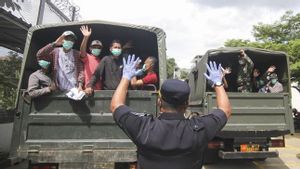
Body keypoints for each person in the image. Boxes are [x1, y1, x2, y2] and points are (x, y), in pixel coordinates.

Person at [110, 56, 231, 169]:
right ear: (186, 103)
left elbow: (116, 106)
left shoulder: (143, 127)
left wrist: (125, 77)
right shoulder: (199, 129)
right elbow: (225, 110)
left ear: (159, 102)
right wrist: (218, 83)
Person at [80, 25, 103, 90]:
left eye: (98, 47)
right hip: (88, 90)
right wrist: (85, 37)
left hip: (99, 91)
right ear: (90, 48)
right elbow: (82, 51)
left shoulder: (101, 61)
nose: (97, 48)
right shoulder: (87, 57)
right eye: (94, 47)